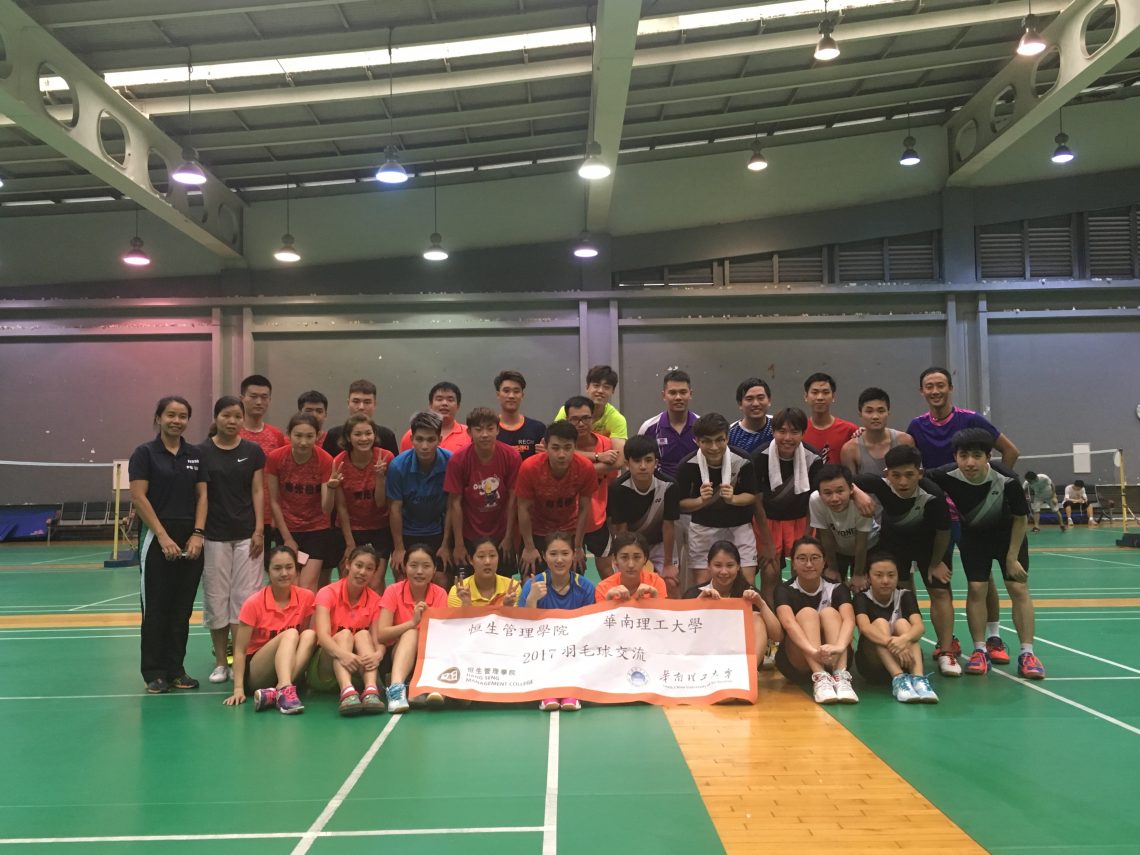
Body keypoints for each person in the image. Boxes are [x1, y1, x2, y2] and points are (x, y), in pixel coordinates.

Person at [907, 366, 1020, 667]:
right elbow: (904, 458)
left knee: (982, 578)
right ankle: (949, 641)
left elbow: (1010, 451)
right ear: (922, 391)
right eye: (929, 386)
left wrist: (993, 487)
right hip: (936, 515)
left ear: (950, 388)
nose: (935, 391)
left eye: (940, 385)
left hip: (973, 513)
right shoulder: (916, 427)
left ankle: (993, 638)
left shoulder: (970, 419)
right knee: (938, 580)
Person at [927, 429, 1045, 680]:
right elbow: (914, 478)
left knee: (1019, 589)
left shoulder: (1008, 479)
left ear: (988, 456)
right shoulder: (944, 475)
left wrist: (1012, 557)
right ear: (955, 456)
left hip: (1008, 538)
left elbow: (1021, 518)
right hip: (974, 539)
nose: (970, 462)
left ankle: (1028, 653)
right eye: (964, 456)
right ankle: (980, 650)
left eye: (977, 456)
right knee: (977, 588)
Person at [854, 446, 958, 677]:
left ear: (920, 473)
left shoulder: (932, 494)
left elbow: (943, 531)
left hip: (930, 546)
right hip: (895, 545)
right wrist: (856, 491)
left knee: (940, 591)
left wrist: (936, 562)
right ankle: (905, 645)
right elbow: (844, 479)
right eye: (896, 475)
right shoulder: (879, 484)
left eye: (910, 475)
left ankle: (946, 651)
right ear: (886, 473)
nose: (903, 481)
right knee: (902, 595)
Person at [129, 396, 210, 694]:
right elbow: (139, 498)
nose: (177, 421)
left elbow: (202, 496)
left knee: (182, 609)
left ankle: (176, 669)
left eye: (183, 416)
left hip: (191, 540)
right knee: (156, 609)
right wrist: (162, 536)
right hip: (156, 539)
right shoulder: (145, 453)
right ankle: (154, 671)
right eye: (171, 415)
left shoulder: (195, 454)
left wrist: (198, 533)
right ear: (159, 417)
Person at [198, 395, 266, 684]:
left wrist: (259, 529)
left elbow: (258, 492)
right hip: (214, 536)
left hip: (246, 536)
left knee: (245, 599)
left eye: (237, 416)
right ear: (216, 418)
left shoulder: (252, 452)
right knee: (216, 598)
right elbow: (200, 494)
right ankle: (219, 662)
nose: (232, 421)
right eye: (226, 416)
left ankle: (242, 658)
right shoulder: (201, 452)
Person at [223, 545, 317, 714]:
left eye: (289, 567)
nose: (284, 573)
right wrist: (238, 689)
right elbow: (239, 650)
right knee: (291, 633)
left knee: (309, 635)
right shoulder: (254, 603)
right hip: (258, 671)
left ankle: (277, 692)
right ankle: (285, 688)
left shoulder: (306, 597)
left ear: (296, 569)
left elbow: (303, 640)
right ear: (267, 571)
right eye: (277, 568)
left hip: (287, 666)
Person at [675, 413, 758, 587]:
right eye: (707, 441)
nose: (714, 447)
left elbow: (752, 496)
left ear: (727, 438)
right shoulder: (687, 465)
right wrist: (700, 501)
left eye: (719, 440)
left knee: (747, 583)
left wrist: (733, 499)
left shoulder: (742, 460)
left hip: (739, 526)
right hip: (703, 527)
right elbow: (680, 503)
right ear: (696, 441)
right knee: (703, 583)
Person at [773, 536, 858, 704]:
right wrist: (813, 652)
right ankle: (820, 678)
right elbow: (789, 624)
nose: (809, 564)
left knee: (829, 613)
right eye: (802, 559)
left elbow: (849, 621)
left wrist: (839, 647)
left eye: (815, 558)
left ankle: (841, 678)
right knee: (807, 613)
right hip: (798, 662)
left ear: (824, 561)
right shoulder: (784, 590)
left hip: (834, 658)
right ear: (794, 563)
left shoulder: (837, 588)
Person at [751, 407, 824, 603]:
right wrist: (767, 543)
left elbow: (814, 500)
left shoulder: (813, 458)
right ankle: (772, 624)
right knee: (769, 573)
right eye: (782, 431)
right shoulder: (760, 457)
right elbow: (756, 502)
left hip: (800, 521)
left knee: (801, 573)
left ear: (803, 433)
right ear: (773, 432)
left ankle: (797, 618)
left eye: (794, 432)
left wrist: (808, 537)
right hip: (767, 523)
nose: (787, 437)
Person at [519, 531, 596, 713]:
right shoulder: (533, 585)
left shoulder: (585, 587)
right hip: (541, 649)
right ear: (544, 556)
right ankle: (547, 693)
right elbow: (523, 630)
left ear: (574, 555)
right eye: (553, 554)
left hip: (574, 649)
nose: (559, 560)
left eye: (564, 553)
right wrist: (532, 600)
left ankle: (572, 692)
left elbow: (591, 629)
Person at [265, 412, 338, 592]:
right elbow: (274, 501)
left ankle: (305, 621)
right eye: (298, 436)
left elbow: (326, 508)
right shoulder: (276, 458)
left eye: (309, 436)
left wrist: (331, 488)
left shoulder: (325, 460)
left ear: (318, 436)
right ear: (288, 435)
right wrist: (288, 538)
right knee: (289, 583)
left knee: (307, 587)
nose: (303, 442)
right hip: (287, 528)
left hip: (316, 530)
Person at [853, 553, 938, 703]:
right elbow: (865, 628)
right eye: (878, 575)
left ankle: (918, 679)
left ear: (898, 576)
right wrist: (892, 643)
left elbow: (919, 627)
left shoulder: (905, 595)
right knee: (879, 623)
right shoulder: (862, 598)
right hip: (873, 666)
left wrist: (904, 640)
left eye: (891, 575)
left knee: (903, 624)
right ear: (868, 577)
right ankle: (898, 679)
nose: (885, 581)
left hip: (906, 661)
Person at [683, 540, 782, 670]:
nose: (724, 571)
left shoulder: (749, 594)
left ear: (738, 567)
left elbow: (777, 636)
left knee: (757, 617)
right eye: (718, 565)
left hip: (739, 660)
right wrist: (699, 604)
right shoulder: (694, 593)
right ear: (708, 566)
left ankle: (748, 674)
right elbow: (682, 635)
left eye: (730, 565)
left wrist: (761, 604)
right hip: (704, 661)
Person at [515, 421, 596, 577]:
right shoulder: (530, 467)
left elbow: (585, 508)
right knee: (530, 581)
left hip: (570, 529)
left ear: (575, 446)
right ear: (545, 446)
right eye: (555, 448)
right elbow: (523, 508)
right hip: (537, 530)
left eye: (567, 448)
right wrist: (529, 547)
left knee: (574, 582)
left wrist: (578, 547)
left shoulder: (585, 468)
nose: (561, 454)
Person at [313, 545, 386, 716]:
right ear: (348, 564)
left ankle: (370, 690)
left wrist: (379, 654)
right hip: (325, 668)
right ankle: (346, 692)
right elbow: (322, 636)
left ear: (374, 573)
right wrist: (342, 654)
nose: (362, 572)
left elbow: (378, 640)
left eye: (369, 568)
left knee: (363, 634)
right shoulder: (327, 593)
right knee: (345, 634)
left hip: (357, 669)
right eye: (358, 565)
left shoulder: (375, 600)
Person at [445, 407, 521, 571]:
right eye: (478, 430)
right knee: (465, 587)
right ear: (469, 432)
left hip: (501, 534)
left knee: (504, 586)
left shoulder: (511, 456)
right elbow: (455, 504)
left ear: (498, 430)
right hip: (469, 534)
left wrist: (508, 537)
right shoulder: (458, 460)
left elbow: (514, 499)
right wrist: (458, 544)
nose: (485, 434)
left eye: (490, 428)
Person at [377, 543, 449, 713]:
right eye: (413, 565)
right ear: (405, 567)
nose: (419, 572)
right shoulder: (393, 591)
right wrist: (412, 622)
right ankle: (396, 690)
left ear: (434, 569)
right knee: (411, 633)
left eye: (426, 566)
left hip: (428, 656)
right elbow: (381, 635)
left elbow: (443, 635)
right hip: (396, 656)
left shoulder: (440, 594)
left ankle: (431, 687)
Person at [607, 435, 681, 596]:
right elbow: (621, 530)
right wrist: (627, 557)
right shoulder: (617, 488)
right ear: (627, 464)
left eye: (648, 460)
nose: (643, 466)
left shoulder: (669, 486)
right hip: (630, 543)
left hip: (660, 543)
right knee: (627, 584)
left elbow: (668, 526)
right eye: (637, 461)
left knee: (671, 582)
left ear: (656, 462)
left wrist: (668, 564)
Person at [387, 411, 453, 585]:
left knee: (441, 579)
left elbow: (452, 506)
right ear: (412, 439)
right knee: (403, 580)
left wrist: (446, 545)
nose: (424, 446)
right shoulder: (397, 466)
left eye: (431, 440)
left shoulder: (450, 462)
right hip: (407, 531)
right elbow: (395, 508)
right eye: (419, 439)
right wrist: (399, 548)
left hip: (437, 531)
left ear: (439, 439)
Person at [333, 413, 394, 592]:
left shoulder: (385, 458)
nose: (364, 438)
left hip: (379, 528)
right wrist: (349, 542)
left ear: (375, 435)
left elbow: (382, 503)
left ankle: (377, 619)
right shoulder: (339, 462)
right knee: (349, 579)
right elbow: (341, 507)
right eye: (357, 434)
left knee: (374, 583)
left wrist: (380, 478)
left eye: (368, 433)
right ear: (348, 437)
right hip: (349, 529)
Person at [565, 395, 621, 578]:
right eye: (574, 419)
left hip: (598, 520)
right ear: (567, 420)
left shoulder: (605, 443)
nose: (580, 423)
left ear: (593, 419)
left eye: (585, 418)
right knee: (572, 572)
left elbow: (612, 474)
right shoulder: (561, 446)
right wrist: (598, 458)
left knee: (607, 569)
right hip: (569, 521)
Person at [809, 464, 879, 589]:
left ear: (852, 489)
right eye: (827, 493)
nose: (834, 498)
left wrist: (858, 574)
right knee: (832, 585)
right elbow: (826, 536)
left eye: (840, 491)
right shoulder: (815, 501)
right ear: (819, 493)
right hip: (838, 549)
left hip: (869, 547)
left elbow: (861, 542)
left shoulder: (861, 504)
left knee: (862, 588)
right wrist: (832, 568)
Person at [239, 374, 287, 557]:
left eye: (264, 397)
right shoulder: (233, 433)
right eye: (253, 396)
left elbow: (283, 476)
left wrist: (277, 514)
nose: (259, 402)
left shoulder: (276, 435)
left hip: (270, 517)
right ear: (242, 398)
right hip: (240, 516)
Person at [552, 364, 628, 457]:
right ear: (587, 387)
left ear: (613, 391)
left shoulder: (617, 419)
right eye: (596, 385)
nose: (600, 390)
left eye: (606, 387)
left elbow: (619, 459)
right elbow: (554, 448)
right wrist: (597, 456)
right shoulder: (567, 410)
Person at [637, 369, 698, 480]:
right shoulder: (648, 428)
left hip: (697, 492)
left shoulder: (702, 426)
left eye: (683, 392)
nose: (678, 397)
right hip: (661, 492)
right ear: (664, 395)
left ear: (690, 394)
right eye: (672, 392)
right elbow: (638, 463)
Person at [840, 387, 915, 477]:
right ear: (860, 414)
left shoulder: (904, 441)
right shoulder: (850, 450)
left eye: (881, 411)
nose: (875, 416)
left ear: (888, 413)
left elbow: (915, 477)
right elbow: (851, 486)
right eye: (869, 411)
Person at [321, 379, 399, 457]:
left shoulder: (387, 436)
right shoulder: (333, 435)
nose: (361, 407)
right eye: (356, 401)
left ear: (374, 404)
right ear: (348, 403)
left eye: (367, 402)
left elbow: (394, 467)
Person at [400, 381, 471, 454]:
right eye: (439, 399)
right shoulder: (413, 434)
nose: (444, 403)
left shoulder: (469, 434)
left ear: (458, 406)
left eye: (450, 400)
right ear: (430, 404)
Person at [595, 531, 668, 602]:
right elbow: (603, 614)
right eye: (624, 557)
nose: (631, 565)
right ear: (615, 559)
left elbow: (661, 614)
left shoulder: (656, 582)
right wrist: (608, 599)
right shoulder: (603, 588)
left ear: (645, 559)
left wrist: (654, 595)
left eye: (637, 557)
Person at [802, 372, 857, 465]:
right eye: (815, 392)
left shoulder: (850, 430)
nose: (820, 397)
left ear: (833, 396)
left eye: (825, 392)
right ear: (806, 396)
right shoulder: (799, 430)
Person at [448, 537, 520, 606]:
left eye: (492, 555)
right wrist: (466, 603)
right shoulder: (458, 591)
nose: (487, 562)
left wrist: (507, 607)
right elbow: (459, 619)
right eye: (481, 556)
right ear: (470, 560)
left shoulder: (513, 588)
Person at [494, 369, 546, 459]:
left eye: (516, 391)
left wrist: (548, 454)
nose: (511, 396)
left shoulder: (538, 428)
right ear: (498, 395)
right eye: (506, 391)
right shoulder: (490, 430)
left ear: (522, 395)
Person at [728, 378, 774, 455]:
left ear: (769, 401)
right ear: (740, 404)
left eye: (760, 398)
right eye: (749, 399)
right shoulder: (730, 435)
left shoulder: (779, 426)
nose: (756, 404)